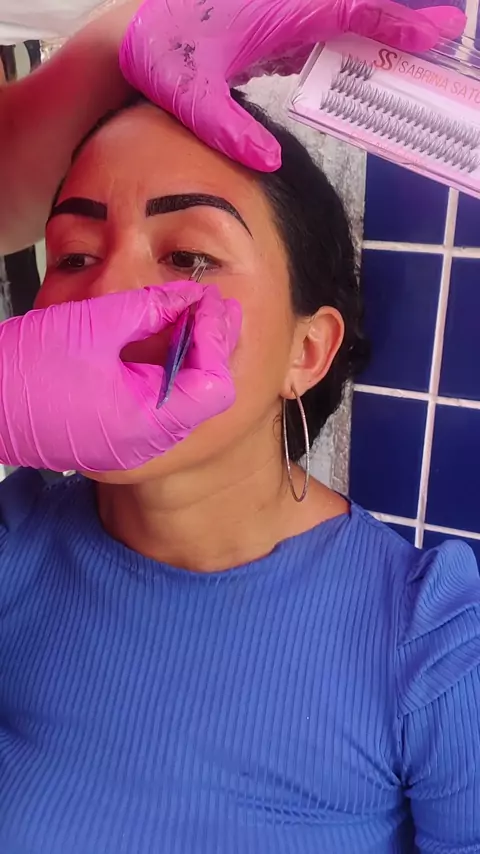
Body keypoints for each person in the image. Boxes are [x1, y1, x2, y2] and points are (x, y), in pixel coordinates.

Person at [0, 92, 478, 854]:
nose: (105, 296)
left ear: (307, 352)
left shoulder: (437, 643)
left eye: (190, 257)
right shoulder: (14, 541)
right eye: (75, 256)